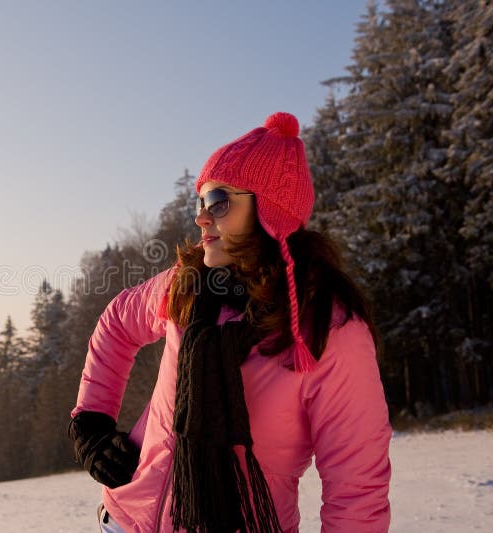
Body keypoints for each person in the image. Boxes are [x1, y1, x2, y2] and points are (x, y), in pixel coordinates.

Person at [68, 112, 392, 533]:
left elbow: (357, 492)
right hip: (125, 521)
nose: (202, 217)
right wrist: (92, 421)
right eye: (198, 202)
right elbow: (117, 324)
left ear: (268, 210)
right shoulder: (189, 284)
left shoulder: (326, 329)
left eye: (218, 201)